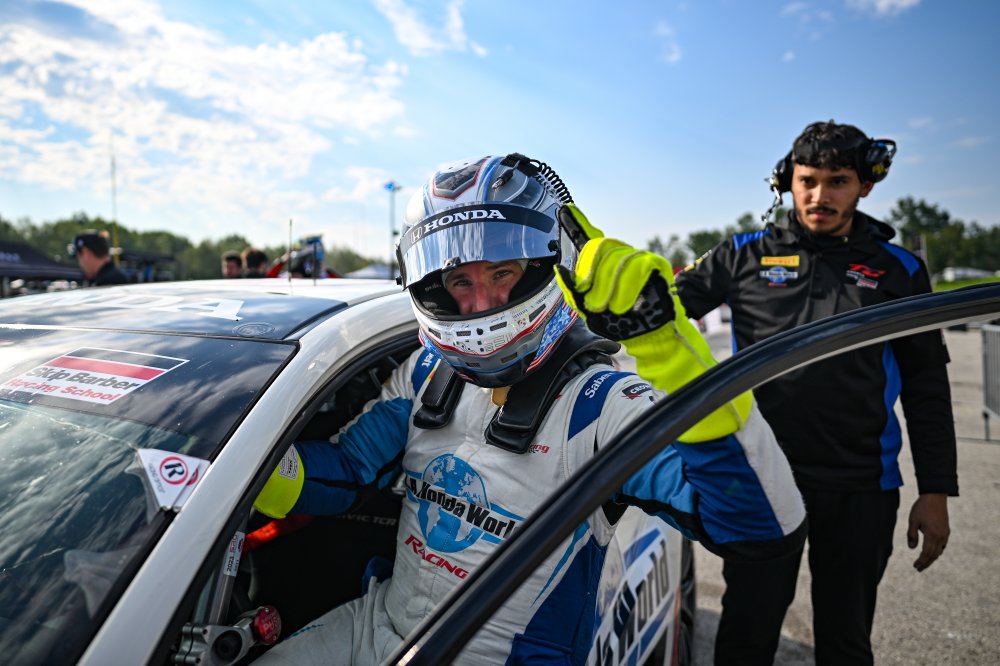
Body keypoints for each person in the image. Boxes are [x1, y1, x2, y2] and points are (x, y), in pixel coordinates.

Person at [253, 153, 806, 665]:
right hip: (377, 625)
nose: (481, 303)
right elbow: (346, 470)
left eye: (502, 273)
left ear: (546, 268)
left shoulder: (600, 405)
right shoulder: (425, 373)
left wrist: (666, 347)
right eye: (460, 281)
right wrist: (247, 467)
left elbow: (761, 527)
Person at [675, 121, 957, 666]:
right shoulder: (742, 254)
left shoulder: (899, 269)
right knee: (745, 636)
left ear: (865, 185)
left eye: (837, 181)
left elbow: (927, 385)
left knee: (846, 641)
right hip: (760, 478)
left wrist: (936, 489)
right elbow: (657, 313)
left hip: (860, 485)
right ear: (788, 181)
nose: (819, 195)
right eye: (807, 180)